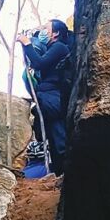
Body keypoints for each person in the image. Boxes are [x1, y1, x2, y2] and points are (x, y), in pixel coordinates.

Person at [17, 19, 72, 176]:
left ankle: (67, 175)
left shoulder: (60, 47)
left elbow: (39, 63)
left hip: (54, 99)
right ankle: (59, 174)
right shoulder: (51, 49)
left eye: (46, 28)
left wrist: (27, 43)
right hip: (47, 98)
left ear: (56, 33)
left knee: (59, 140)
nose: (42, 31)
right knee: (53, 141)